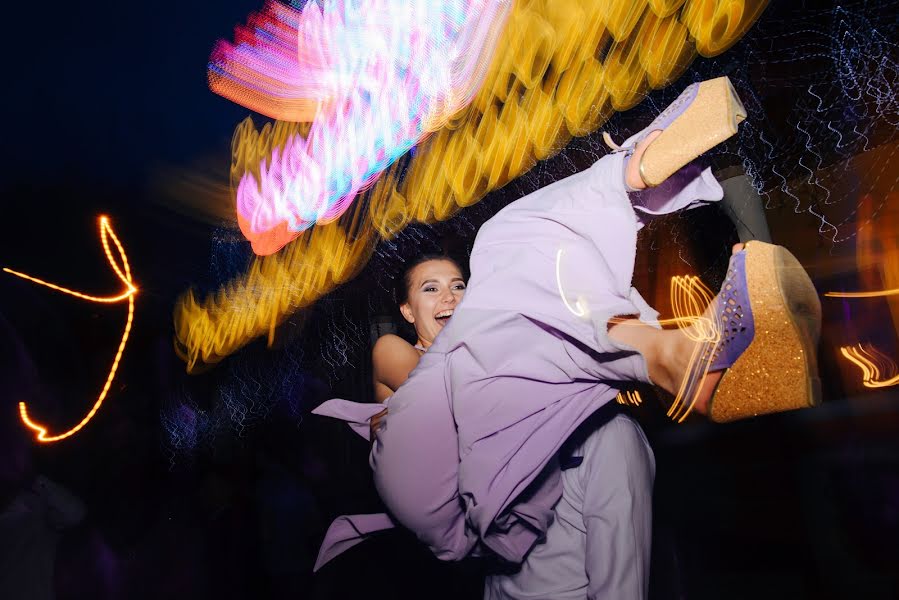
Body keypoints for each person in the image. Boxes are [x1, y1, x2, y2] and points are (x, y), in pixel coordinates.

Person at [313, 76, 822, 585]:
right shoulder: (393, 349)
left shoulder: (517, 349)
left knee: (503, 240)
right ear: (405, 311)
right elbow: (445, 382)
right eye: (429, 290)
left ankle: (672, 341)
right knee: (502, 293)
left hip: (501, 481)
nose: (448, 296)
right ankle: (626, 183)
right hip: (424, 473)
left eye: (457, 285)